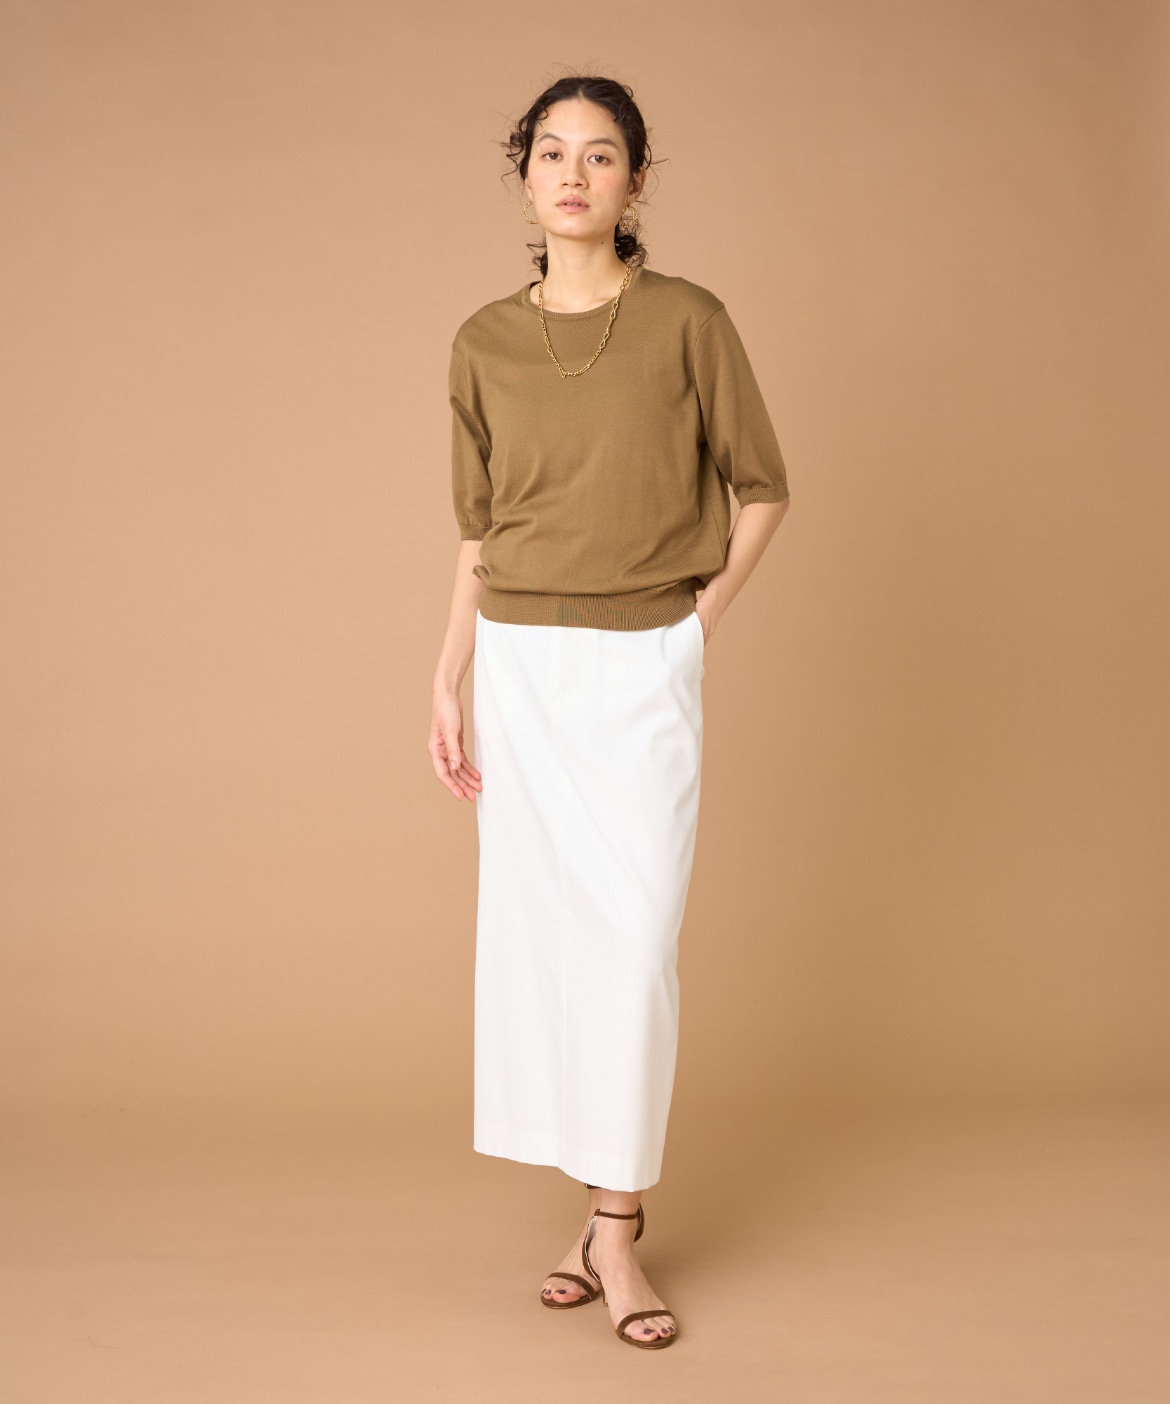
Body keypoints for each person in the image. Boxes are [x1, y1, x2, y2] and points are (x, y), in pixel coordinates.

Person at [428, 74, 791, 1351]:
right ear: (524, 175)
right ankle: (599, 1217)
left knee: (634, 947)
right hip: (521, 665)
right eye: (551, 153)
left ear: (636, 179)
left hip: (644, 661)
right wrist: (446, 674)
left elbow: (763, 487)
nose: (573, 174)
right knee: (547, 947)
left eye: (600, 154)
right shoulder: (481, 341)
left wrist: (696, 625)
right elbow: (481, 530)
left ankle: (615, 1233)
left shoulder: (689, 320)